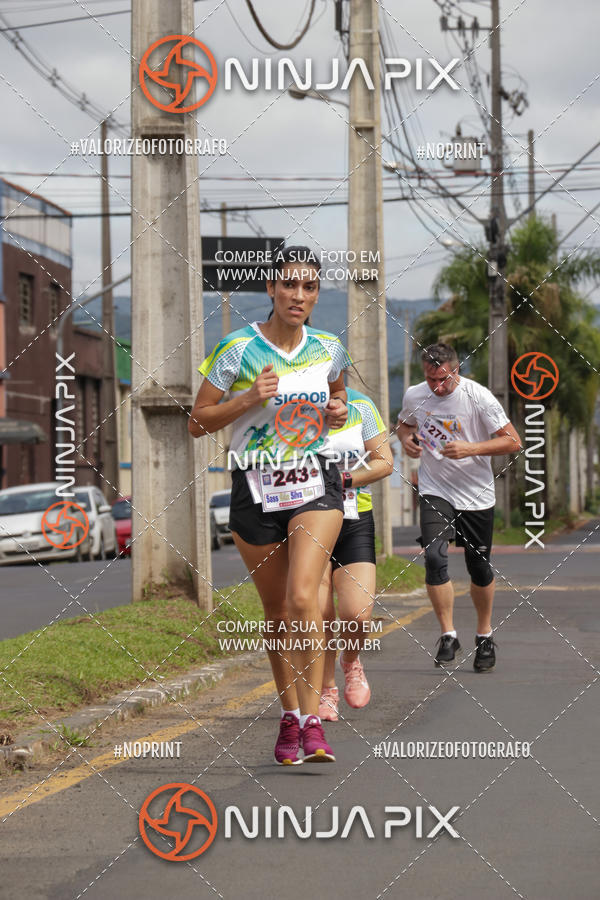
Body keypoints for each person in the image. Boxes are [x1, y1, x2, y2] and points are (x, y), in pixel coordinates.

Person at [189, 246, 351, 764]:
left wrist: (338, 409)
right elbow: (197, 421)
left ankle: (312, 721)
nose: (298, 296)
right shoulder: (237, 349)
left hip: (315, 481)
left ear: (317, 294)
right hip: (255, 487)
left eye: (309, 287)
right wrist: (247, 399)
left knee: (305, 597)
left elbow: (340, 396)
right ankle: (289, 716)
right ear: (271, 289)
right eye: (289, 285)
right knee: (278, 611)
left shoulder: (329, 347)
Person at [396, 342, 522, 671]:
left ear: (457, 370)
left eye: (444, 379)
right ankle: (448, 634)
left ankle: (484, 634)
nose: (437, 387)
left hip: (476, 494)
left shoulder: (478, 397)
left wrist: (471, 449)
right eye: (431, 379)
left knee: (478, 568)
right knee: (435, 558)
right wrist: (406, 441)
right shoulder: (414, 394)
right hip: (435, 489)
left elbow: (513, 441)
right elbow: (404, 425)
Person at [316, 387, 393, 721]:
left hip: (354, 516)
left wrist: (344, 479)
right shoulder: (291, 403)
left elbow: (384, 462)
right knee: (319, 615)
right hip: (308, 518)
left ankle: (350, 661)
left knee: (357, 614)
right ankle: (326, 689)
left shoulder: (361, 404)